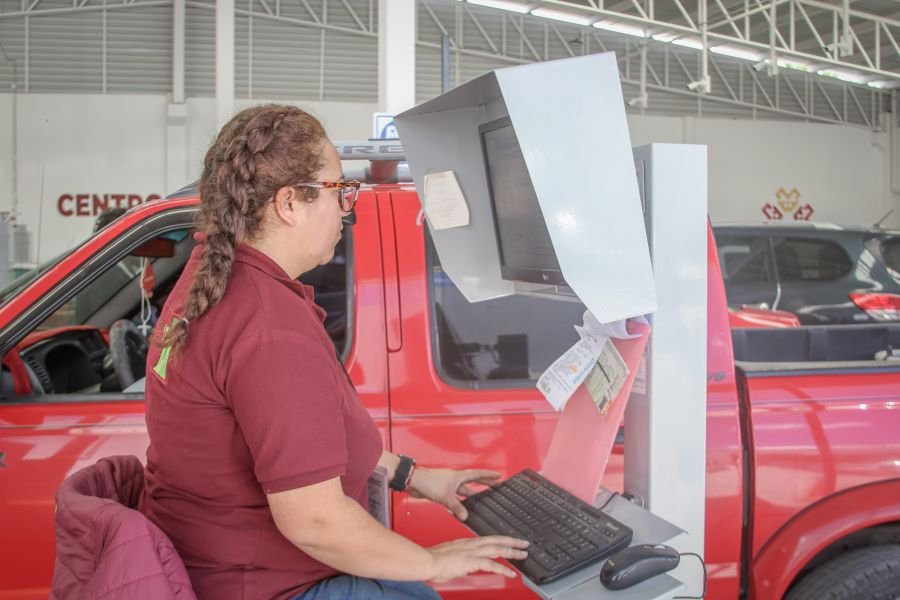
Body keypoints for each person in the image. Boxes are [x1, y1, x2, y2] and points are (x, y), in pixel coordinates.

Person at [139, 104, 529, 600]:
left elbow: (298, 442)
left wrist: (413, 476)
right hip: (267, 585)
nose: (349, 207)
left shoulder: (208, 277)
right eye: (339, 190)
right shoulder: (268, 329)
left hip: (210, 563)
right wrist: (432, 562)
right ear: (289, 204)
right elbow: (315, 521)